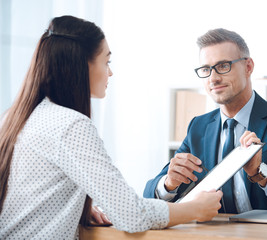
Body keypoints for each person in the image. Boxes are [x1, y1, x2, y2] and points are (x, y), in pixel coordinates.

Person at [0, 16, 223, 239]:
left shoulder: (15, 117)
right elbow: (130, 214)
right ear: (82, 65)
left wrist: (80, 210)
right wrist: (194, 209)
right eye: (106, 61)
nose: (110, 72)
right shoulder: (71, 125)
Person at [143, 28, 267, 214]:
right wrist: (169, 184)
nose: (213, 78)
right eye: (206, 69)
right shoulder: (198, 127)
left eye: (223, 66)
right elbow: (149, 196)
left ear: (248, 67)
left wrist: (260, 174)